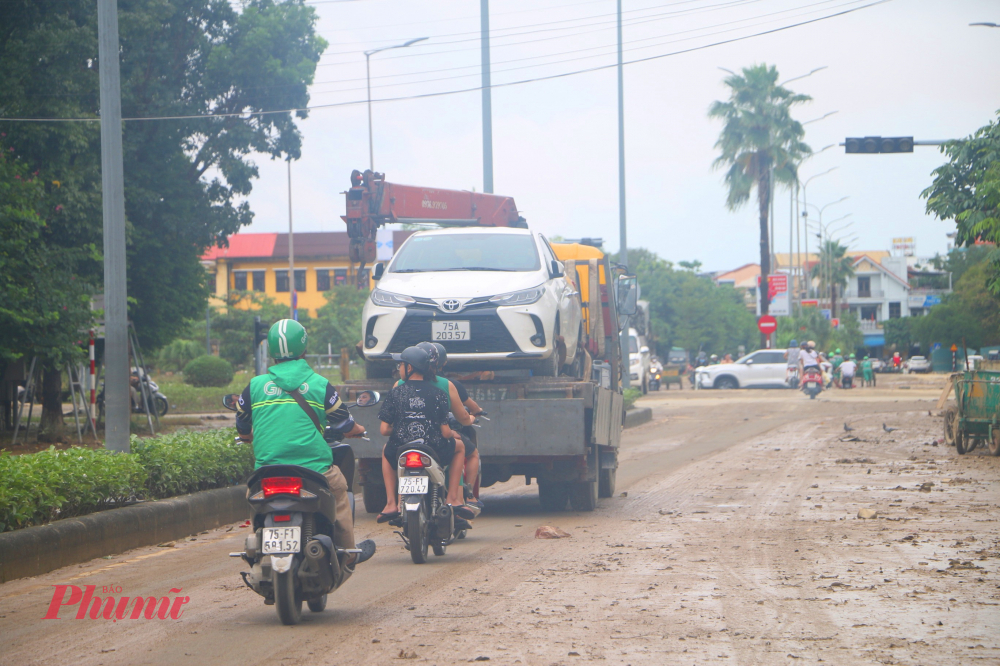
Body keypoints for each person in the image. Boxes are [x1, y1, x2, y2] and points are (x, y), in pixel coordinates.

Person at [235, 319, 375, 568]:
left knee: (253, 499)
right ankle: (348, 553)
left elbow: (242, 423)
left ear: (272, 350)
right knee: (340, 491)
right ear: (304, 349)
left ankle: (256, 545)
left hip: (267, 470)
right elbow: (343, 425)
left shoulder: (254, 386)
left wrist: (247, 438)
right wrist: (358, 430)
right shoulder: (320, 384)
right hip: (315, 469)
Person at [376, 345, 468, 524]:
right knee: (461, 447)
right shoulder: (439, 393)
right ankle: (453, 498)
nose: (398, 370)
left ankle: (390, 503)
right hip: (434, 448)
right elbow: (445, 431)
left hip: (401, 448)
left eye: (400, 366)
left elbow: (384, 430)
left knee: (386, 450)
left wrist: (403, 428)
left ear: (409, 368)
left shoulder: (396, 392)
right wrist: (453, 434)